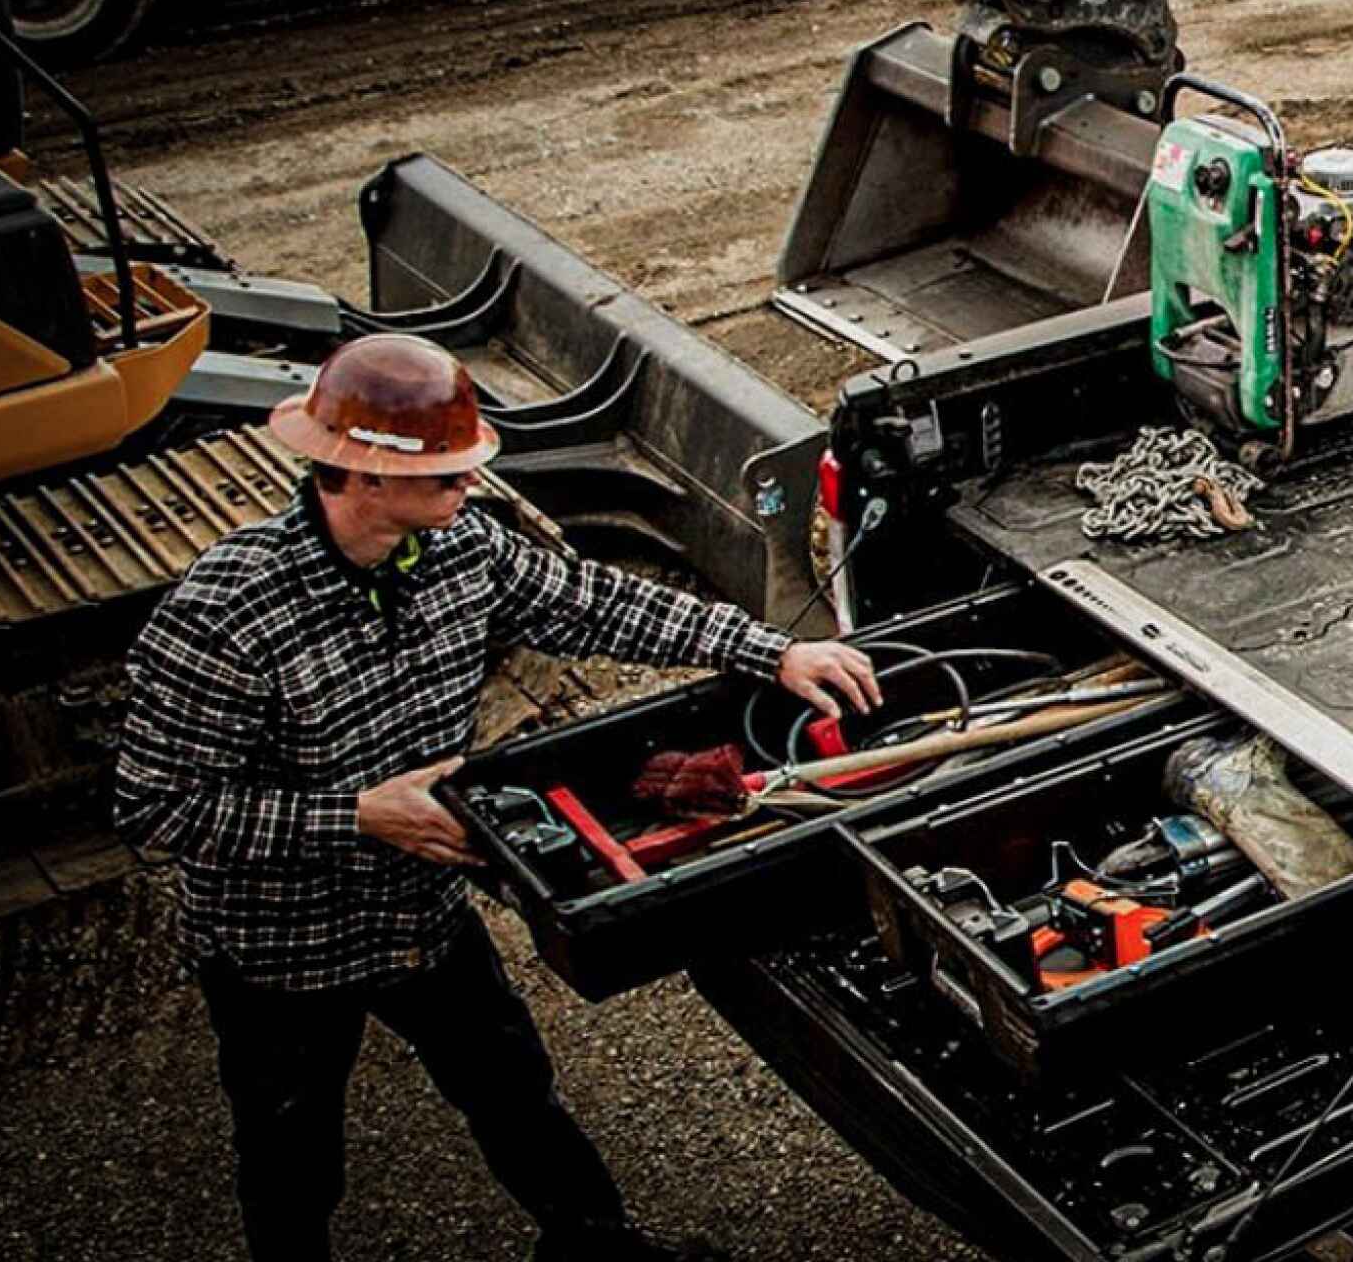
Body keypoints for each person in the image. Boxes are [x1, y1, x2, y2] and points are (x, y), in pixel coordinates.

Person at [113, 334, 882, 1261]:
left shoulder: (460, 547)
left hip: (422, 916)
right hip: (284, 949)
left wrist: (771, 649)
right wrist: (355, 814)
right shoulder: (226, 614)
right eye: (447, 476)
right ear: (358, 476)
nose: (470, 490)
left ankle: (593, 1247)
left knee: (515, 1091)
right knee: (290, 1150)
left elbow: (596, 602)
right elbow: (157, 808)